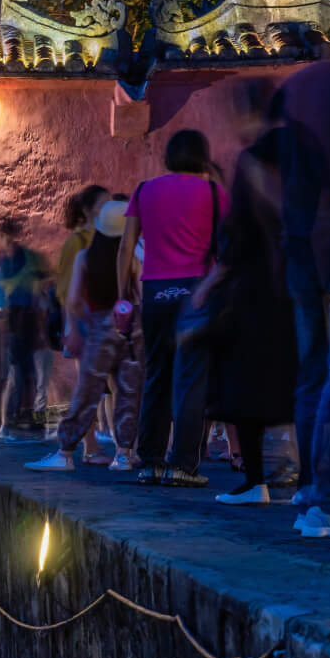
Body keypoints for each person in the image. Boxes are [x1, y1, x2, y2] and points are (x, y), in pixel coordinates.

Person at [190, 80, 294, 503]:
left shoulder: (252, 161)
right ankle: (307, 481)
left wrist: (210, 283)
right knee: (301, 379)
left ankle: (255, 482)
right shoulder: (303, 152)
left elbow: (239, 234)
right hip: (298, 281)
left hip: (257, 288)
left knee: (244, 384)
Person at [120, 129, 226, 486]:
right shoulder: (215, 193)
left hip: (155, 292)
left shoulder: (144, 191)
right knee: (191, 380)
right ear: (202, 155)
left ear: (168, 156)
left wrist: (124, 292)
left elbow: (126, 247)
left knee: (156, 376)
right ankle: (182, 466)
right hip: (197, 292)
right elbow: (231, 245)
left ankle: (150, 462)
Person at [28, 197, 141, 471]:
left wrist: (80, 328)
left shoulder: (85, 258)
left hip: (98, 329)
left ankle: (65, 452)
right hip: (130, 329)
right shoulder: (133, 259)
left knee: (88, 393)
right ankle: (124, 454)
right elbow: (141, 295)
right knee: (128, 392)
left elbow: (74, 301)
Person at [279, 60, 330, 536]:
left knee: (314, 374)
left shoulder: (302, 88)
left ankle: (310, 486)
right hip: (326, 261)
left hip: (302, 257)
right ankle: (325, 499)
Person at [0, 216, 51, 440]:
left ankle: (4, 422)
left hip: (19, 322)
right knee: (7, 375)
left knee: (17, 374)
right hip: (4, 325)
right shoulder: (0, 267)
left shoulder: (18, 262)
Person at [50, 184, 111, 438]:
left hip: (103, 316)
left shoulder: (106, 237)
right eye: (103, 205)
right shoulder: (76, 242)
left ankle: (113, 440)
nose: (109, 209)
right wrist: (72, 327)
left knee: (108, 383)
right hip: (83, 318)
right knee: (89, 386)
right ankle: (88, 445)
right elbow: (65, 290)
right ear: (87, 211)